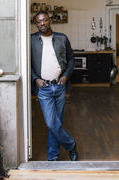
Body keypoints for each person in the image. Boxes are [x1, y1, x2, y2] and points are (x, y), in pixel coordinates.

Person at [31, 10, 78, 161]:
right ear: (36, 24)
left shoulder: (62, 38)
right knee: (51, 122)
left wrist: (65, 76)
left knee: (56, 123)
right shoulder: (31, 40)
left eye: (44, 20)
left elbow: (71, 59)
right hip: (43, 88)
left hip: (59, 86)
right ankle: (71, 145)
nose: (42, 23)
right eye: (38, 21)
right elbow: (27, 63)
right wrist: (35, 78)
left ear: (50, 20)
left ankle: (52, 157)